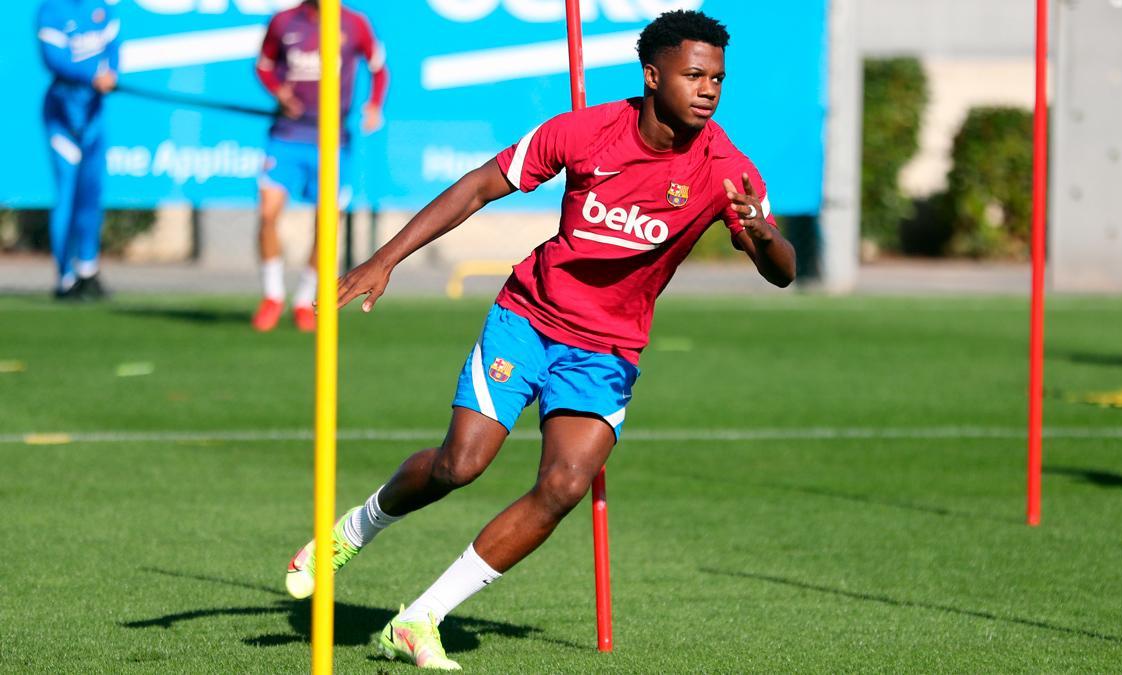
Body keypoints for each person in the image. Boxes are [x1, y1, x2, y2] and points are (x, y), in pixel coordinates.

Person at [284, 10, 795, 669]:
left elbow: (780, 271)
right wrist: (386, 258)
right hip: (528, 318)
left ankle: (419, 618)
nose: (708, 89)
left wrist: (763, 236)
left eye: (717, 78)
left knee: (564, 484)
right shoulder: (585, 132)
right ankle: (353, 529)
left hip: (607, 352)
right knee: (458, 465)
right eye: (694, 74)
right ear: (652, 75)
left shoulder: (726, 167)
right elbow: (477, 188)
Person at [252, 0, 388, 332]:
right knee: (268, 214)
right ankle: (272, 294)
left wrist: (374, 105)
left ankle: (303, 299)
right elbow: (263, 66)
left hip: (332, 140)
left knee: (326, 224)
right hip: (286, 135)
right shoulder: (284, 21)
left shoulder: (354, 23)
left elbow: (379, 67)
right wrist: (279, 92)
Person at [37, 0, 121, 300]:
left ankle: (88, 269)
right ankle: (65, 278)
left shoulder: (101, 8)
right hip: (63, 117)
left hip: (93, 116)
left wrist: (112, 73)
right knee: (67, 195)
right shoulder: (52, 9)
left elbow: (113, 49)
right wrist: (91, 75)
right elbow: (53, 58)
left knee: (91, 195)